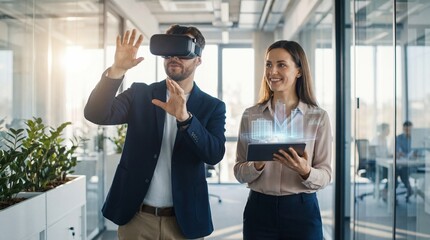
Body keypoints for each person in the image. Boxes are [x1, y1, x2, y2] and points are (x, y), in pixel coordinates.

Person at [84, 25, 226, 240]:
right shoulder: (141, 94)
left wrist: (186, 119)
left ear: (198, 59)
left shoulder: (212, 106)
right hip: (137, 218)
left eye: (182, 51)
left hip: (184, 221)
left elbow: (214, 154)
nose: (174, 58)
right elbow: (97, 114)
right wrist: (117, 69)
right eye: (168, 51)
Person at [234, 40, 332, 240]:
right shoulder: (251, 116)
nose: (272, 71)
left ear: (298, 71)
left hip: (302, 211)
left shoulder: (317, 117)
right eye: (269, 64)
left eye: (281, 65)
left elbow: (326, 175)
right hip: (259, 210)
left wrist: (305, 171)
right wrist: (257, 165)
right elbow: (239, 172)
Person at [395, 120, 415, 198]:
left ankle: (387, 191)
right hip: (403, 164)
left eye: (409, 130)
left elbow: (419, 152)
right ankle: (409, 189)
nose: (407, 131)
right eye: (405, 130)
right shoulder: (399, 138)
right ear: (403, 129)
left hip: (414, 165)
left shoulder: (416, 138)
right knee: (399, 170)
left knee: (399, 171)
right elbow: (398, 152)